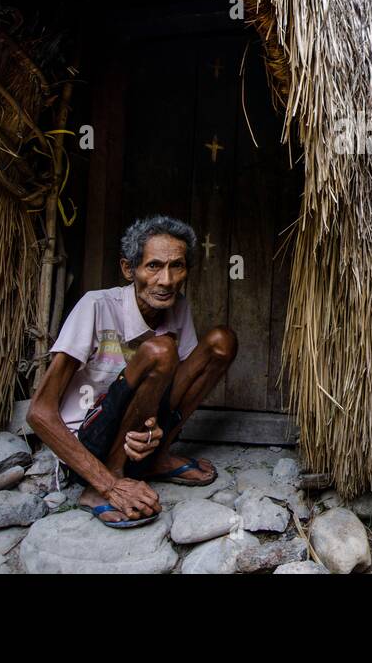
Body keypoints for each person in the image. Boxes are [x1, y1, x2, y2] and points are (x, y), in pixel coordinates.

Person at [27, 215, 238, 527]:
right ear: (129, 269)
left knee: (222, 342)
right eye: (153, 266)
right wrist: (107, 484)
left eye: (176, 266)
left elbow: (173, 385)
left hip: (136, 433)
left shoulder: (176, 306)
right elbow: (39, 413)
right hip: (88, 440)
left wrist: (153, 429)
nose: (166, 280)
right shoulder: (96, 306)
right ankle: (109, 479)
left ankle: (157, 459)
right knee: (161, 350)